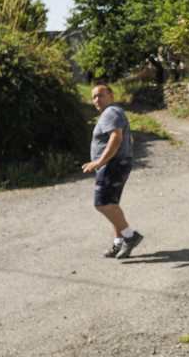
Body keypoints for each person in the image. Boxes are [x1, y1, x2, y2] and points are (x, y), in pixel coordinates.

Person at [82, 83, 143, 259]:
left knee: (102, 204)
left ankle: (131, 237)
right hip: (117, 163)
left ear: (111, 95)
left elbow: (116, 137)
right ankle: (118, 243)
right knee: (112, 205)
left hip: (112, 164)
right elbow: (128, 138)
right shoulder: (116, 112)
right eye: (93, 97)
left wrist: (100, 161)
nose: (96, 100)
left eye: (100, 95)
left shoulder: (110, 113)